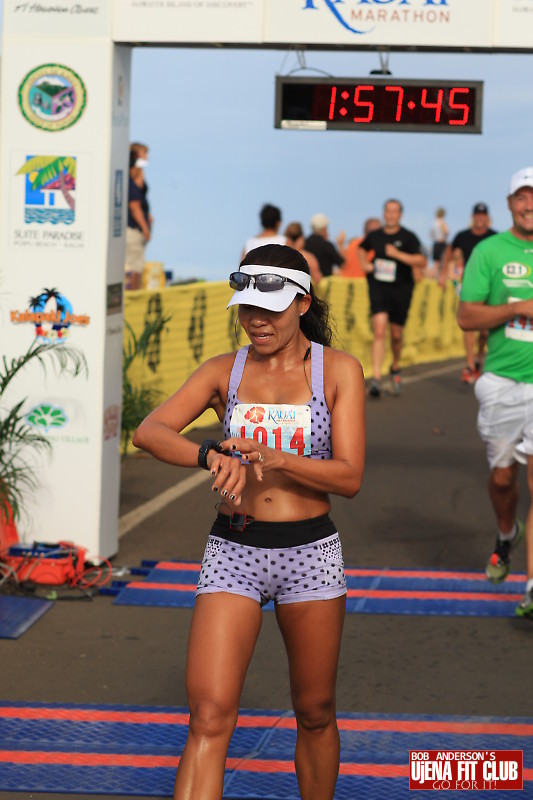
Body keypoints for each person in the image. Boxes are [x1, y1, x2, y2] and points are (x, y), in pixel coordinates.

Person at [133, 243, 365, 799]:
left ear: (302, 303)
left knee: (314, 711)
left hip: (310, 552)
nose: (256, 321)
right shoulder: (224, 371)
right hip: (233, 549)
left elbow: (349, 476)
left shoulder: (339, 371)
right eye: (247, 309)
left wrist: (281, 458)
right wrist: (209, 454)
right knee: (208, 716)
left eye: (271, 310)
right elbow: (150, 432)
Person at [457, 167, 533, 619]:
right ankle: (507, 533)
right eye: (523, 197)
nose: (530, 205)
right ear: (509, 204)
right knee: (504, 479)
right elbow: (467, 316)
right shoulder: (489, 251)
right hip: (502, 381)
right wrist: (518, 308)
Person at [358, 198, 427, 398]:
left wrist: (398, 255)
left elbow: (421, 260)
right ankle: (377, 379)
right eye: (388, 211)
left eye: (395, 211)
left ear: (400, 214)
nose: (391, 215)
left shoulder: (408, 237)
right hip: (379, 288)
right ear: (384, 213)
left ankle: (395, 366)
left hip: (401, 289)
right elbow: (361, 249)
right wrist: (365, 264)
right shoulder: (375, 235)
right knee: (379, 330)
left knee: (396, 335)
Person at [442, 203, 497, 384]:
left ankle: (479, 357)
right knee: (469, 325)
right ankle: (469, 364)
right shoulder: (462, 236)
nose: (480, 218)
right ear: (473, 217)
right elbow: (449, 252)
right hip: (470, 286)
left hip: (490, 287)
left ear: (487, 218)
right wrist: (443, 273)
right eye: (477, 215)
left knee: (485, 332)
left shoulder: (494, 237)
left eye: (483, 215)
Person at [126, 142, 152, 291]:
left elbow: (141, 188)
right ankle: (132, 295)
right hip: (134, 228)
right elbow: (134, 206)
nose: (146, 158)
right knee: (133, 268)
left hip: (138, 228)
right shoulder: (129, 181)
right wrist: (144, 227)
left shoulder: (136, 176)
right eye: (144, 154)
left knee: (137, 265)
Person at [304, 213, 346, 277]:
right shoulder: (327, 245)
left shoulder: (304, 243)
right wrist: (340, 245)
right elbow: (343, 264)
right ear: (324, 228)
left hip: (308, 282)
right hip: (325, 284)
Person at [428, 207, 449, 279]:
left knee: (436, 263)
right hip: (441, 243)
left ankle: (432, 276)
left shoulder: (434, 223)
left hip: (435, 244)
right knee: (443, 262)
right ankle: (441, 277)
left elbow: (430, 234)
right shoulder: (442, 222)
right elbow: (446, 232)